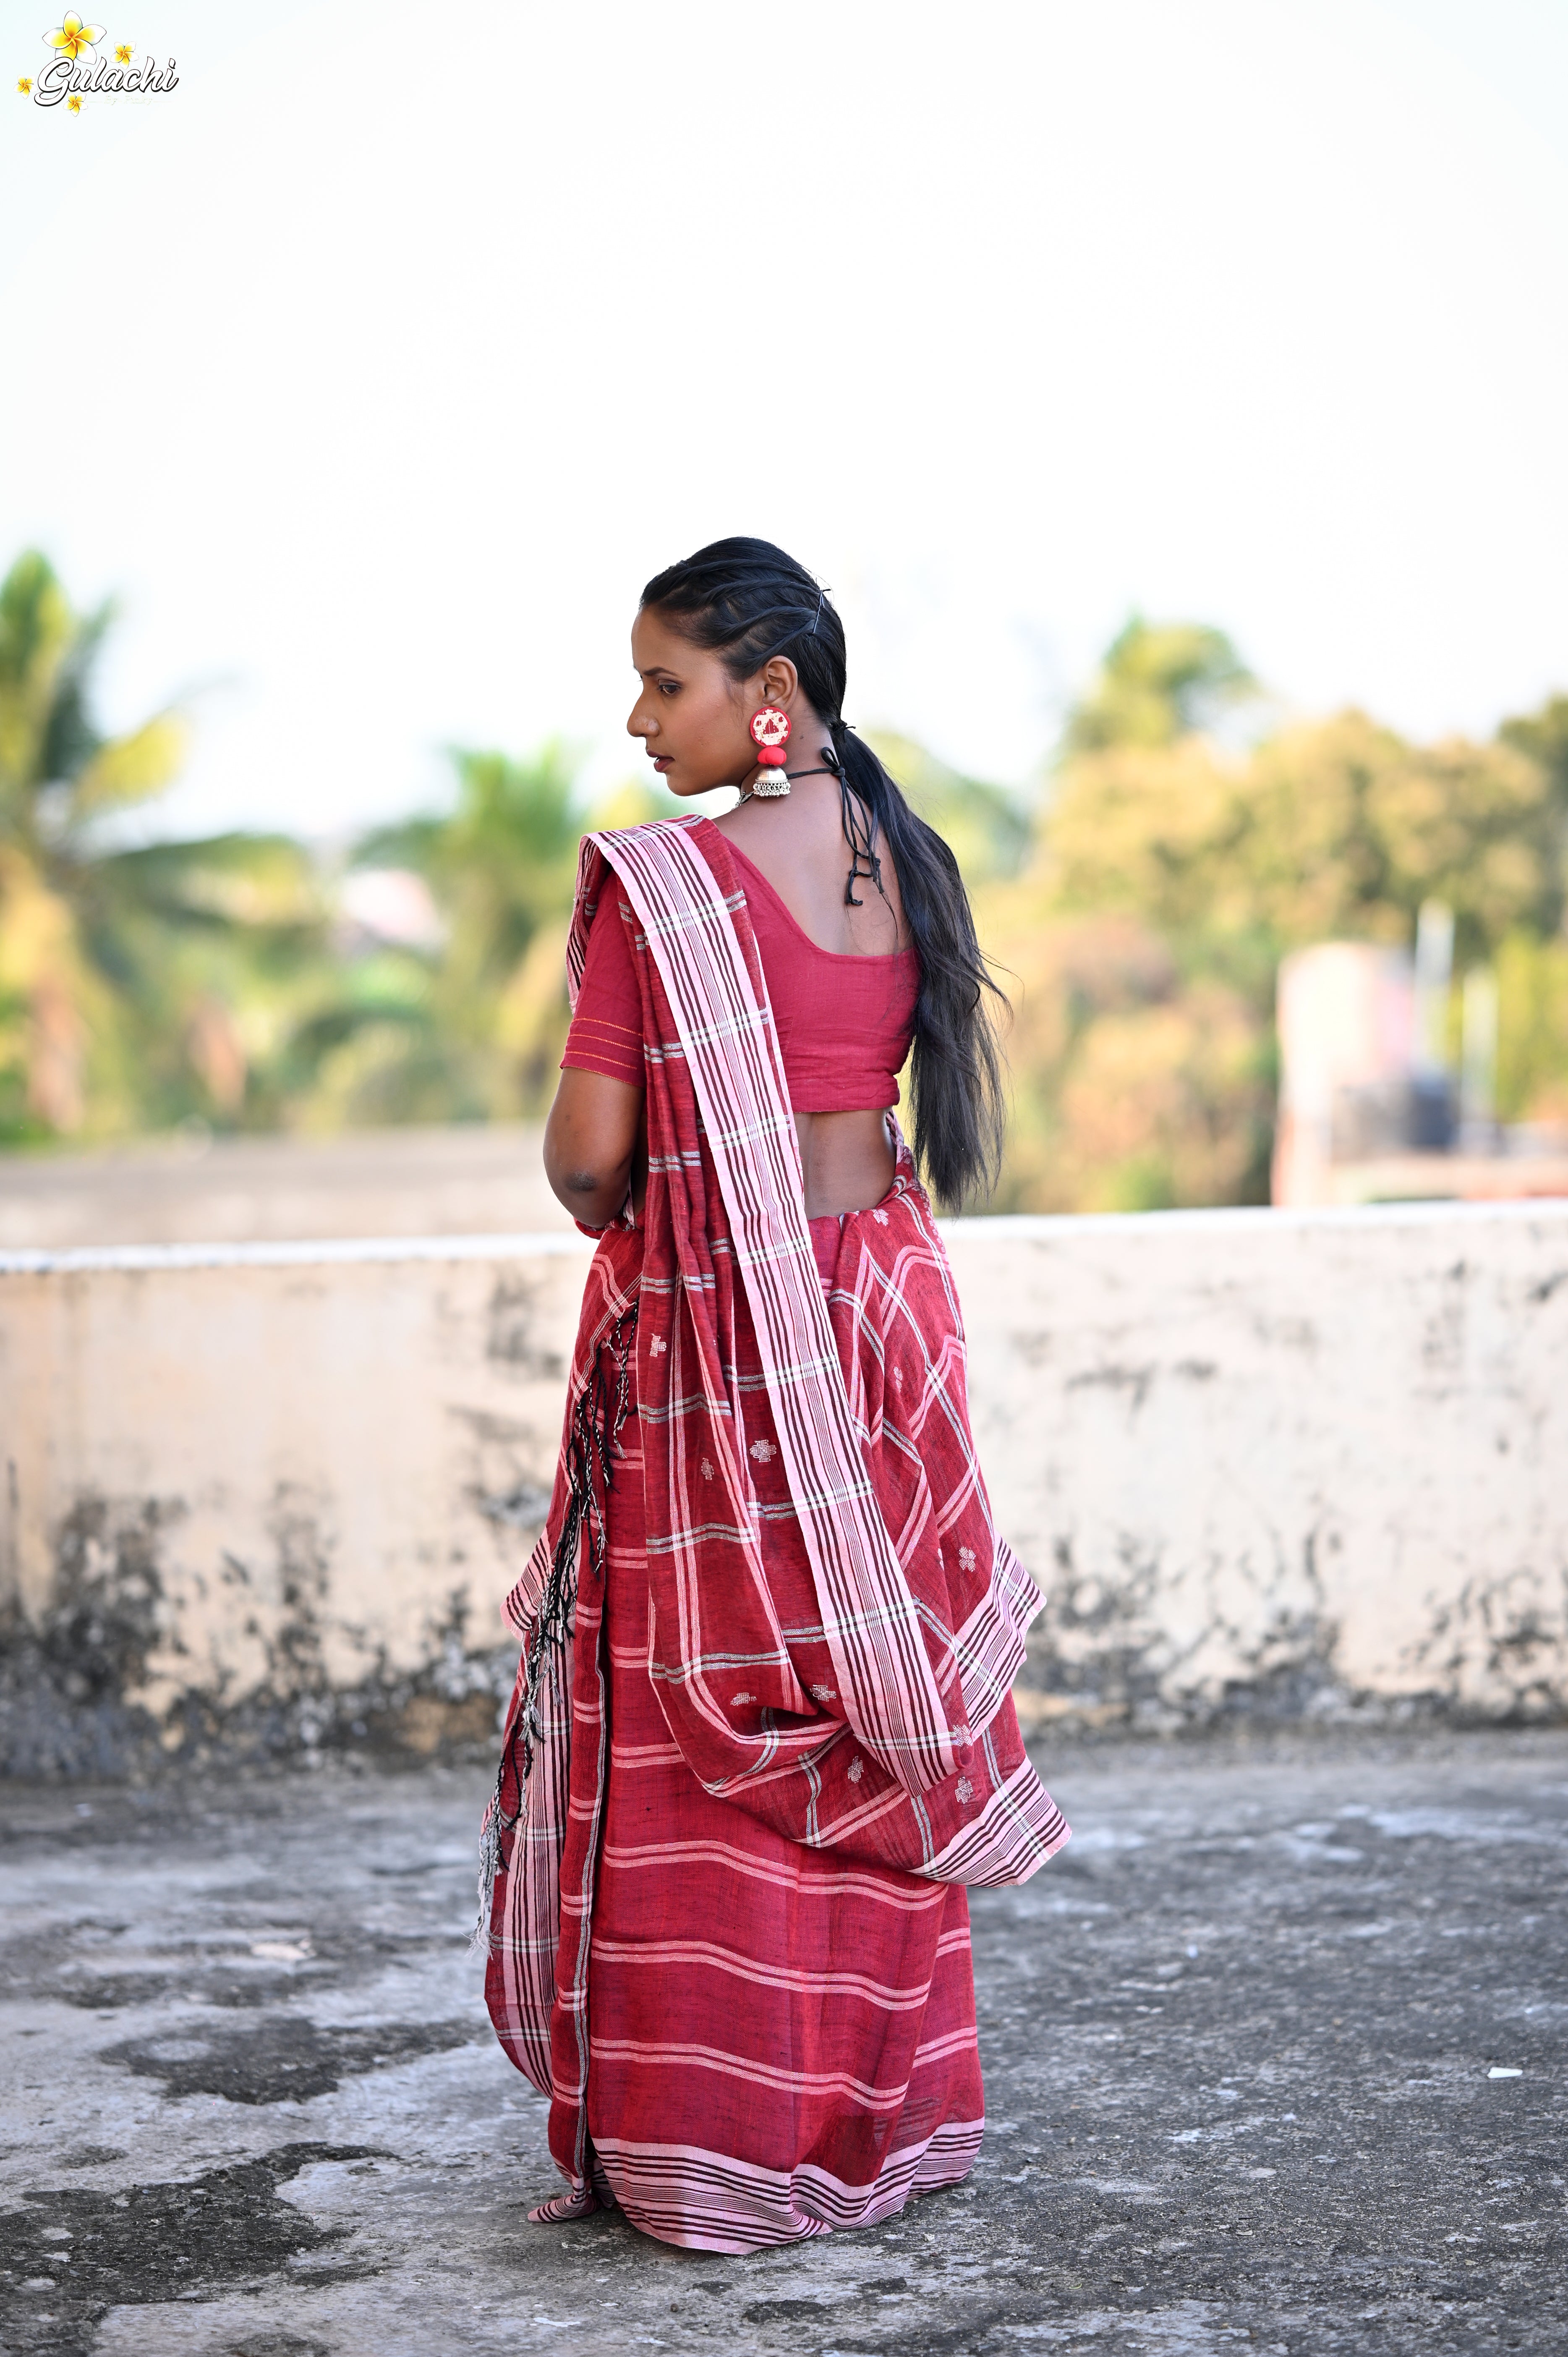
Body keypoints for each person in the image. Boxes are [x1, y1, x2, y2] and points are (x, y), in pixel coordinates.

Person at [479, 536, 1069, 2252]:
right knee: (871, 1693)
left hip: (722, 1349)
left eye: (668, 681)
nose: (640, 717)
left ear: (768, 697)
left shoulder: (664, 892)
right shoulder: (911, 857)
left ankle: (707, 2146)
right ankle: (864, 2132)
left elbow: (590, 1164)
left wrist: (660, 1185)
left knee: (696, 1722)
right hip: (881, 1323)